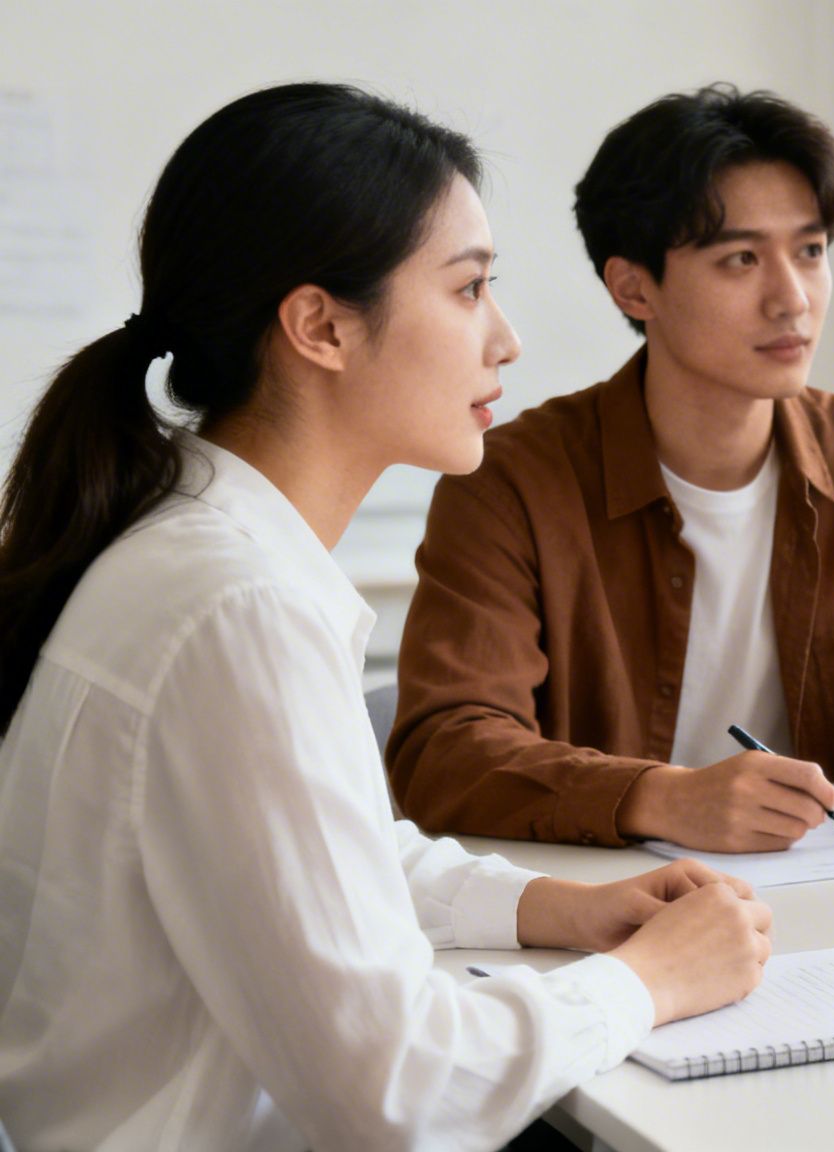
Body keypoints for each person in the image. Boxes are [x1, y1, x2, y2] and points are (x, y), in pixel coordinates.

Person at [0, 84, 773, 1151]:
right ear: (318, 326)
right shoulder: (235, 606)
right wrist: (646, 982)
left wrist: (551, 905)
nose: (504, 339)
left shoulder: (195, 546)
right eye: (468, 290)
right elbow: (396, 1090)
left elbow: (320, 862)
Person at [388, 86, 834, 854]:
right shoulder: (508, 483)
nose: (792, 299)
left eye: (810, 252)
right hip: (598, 911)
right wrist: (662, 797)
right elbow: (446, 750)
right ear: (634, 286)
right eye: (741, 259)